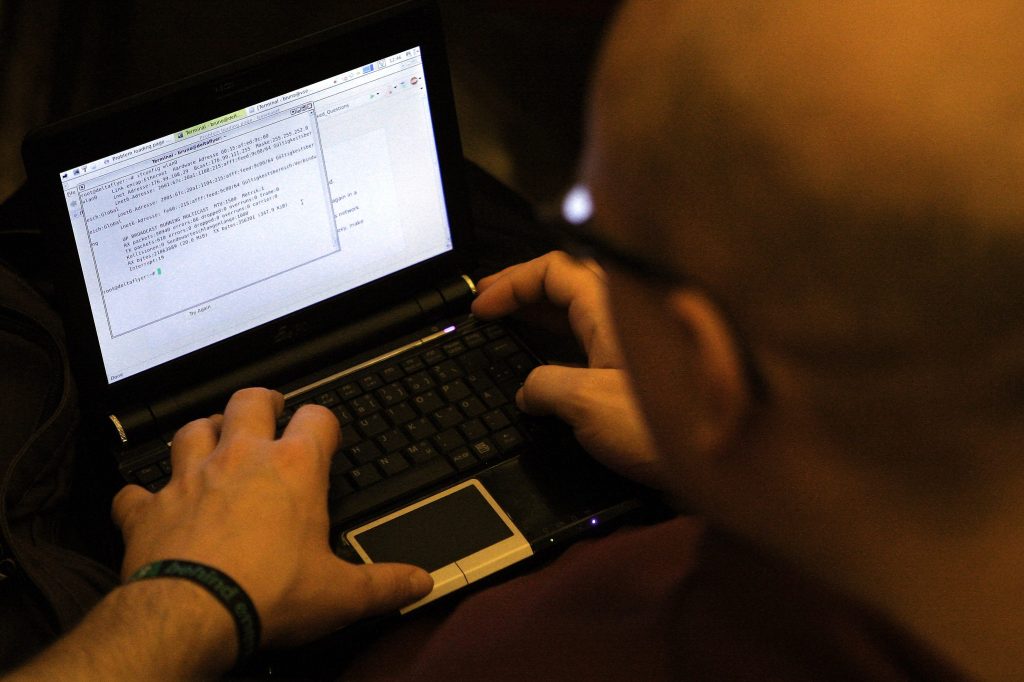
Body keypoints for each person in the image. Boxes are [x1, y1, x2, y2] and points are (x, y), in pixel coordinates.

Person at [6, 0, 1024, 678]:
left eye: (594, 228)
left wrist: (192, 597)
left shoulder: (538, 652)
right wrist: (716, 456)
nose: (572, 256)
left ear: (712, 373)